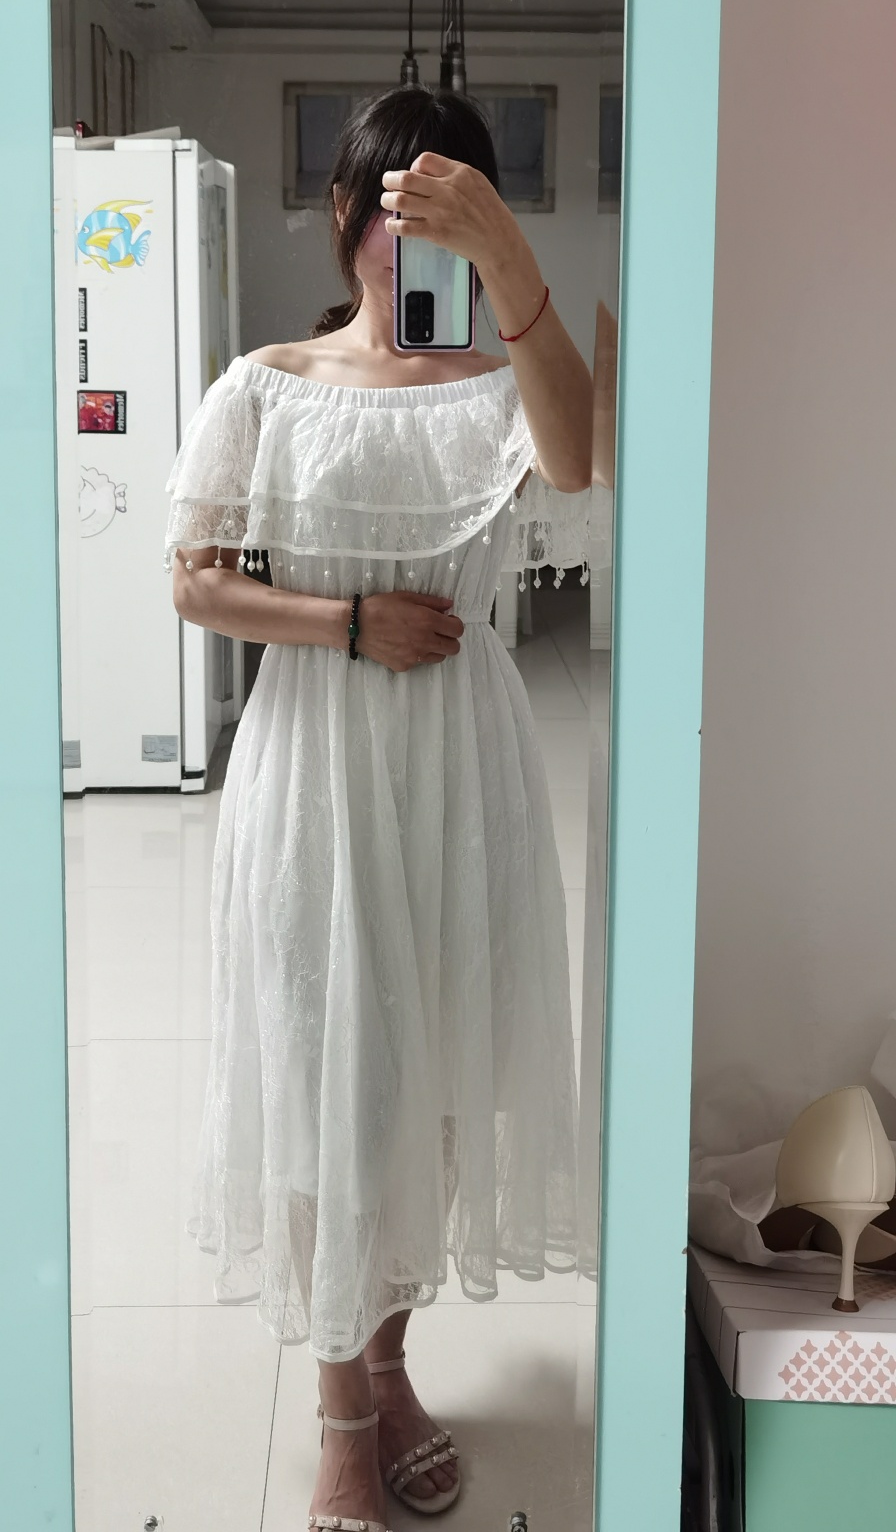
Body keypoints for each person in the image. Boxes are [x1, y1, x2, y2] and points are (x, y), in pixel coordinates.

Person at [165, 87, 595, 1531]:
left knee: (440, 1092)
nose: (413, 240)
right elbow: (194, 582)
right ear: (347, 212)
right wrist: (347, 623)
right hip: (318, 770)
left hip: (461, 776)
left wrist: (510, 259)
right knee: (332, 1080)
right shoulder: (266, 384)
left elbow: (577, 458)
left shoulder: (496, 390)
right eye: (398, 205)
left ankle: (392, 1365)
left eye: (452, 211)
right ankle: (343, 1413)